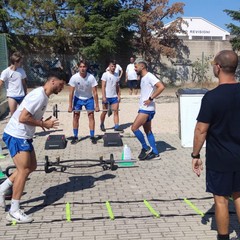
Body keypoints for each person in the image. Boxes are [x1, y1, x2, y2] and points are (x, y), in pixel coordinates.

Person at [0, 68, 66, 223]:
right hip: (16, 135)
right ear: (53, 81)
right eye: (61, 85)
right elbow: (23, 118)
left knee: (32, 166)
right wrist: (43, 123)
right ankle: (14, 211)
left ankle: (2, 189)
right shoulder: (38, 96)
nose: (62, 88)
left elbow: (29, 115)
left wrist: (42, 123)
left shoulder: (43, 96)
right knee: (23, 170)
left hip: (24, 136)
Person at [192, 50, 240, 240]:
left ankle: (223, 237)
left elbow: (201, 130)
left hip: (220, 158)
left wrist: (195, 156)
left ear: (218, 67)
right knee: (238, 195)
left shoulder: (212, 97)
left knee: (221, 200)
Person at [131, 59, 165, 160]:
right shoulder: (143, 77)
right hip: (145, 108)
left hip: (147, 109)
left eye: (136, 66)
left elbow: (161, 87)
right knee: (148, 131)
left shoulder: (149, 76)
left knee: (134, 128)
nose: (135, 68)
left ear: (142, 66)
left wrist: (151, 98)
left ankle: (145, 148)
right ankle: (155, 153)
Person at [68, 60, 100, 144]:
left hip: (89, 99)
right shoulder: (74, 77)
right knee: (76, 116)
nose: (82, 69)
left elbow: (95, 93)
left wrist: (97, 105)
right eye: (81, 67)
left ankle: (92, 136)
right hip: (78, 99)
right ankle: (75, 136)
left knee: (91, 116)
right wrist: (70, 106)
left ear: (86, 67)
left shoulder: (91, 77)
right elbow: (71, 92)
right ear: (78, 68)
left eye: (84, 67)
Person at [100, 60, 122, 132]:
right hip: (107, 96)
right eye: (112, 66)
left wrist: (119, 95)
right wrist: (104, 96)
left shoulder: (116, 75)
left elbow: (117, 86)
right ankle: (102, 123)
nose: (113, 68)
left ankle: (116, 126)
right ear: (109, 66)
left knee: (116, 111)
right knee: (105, 111)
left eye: (114, 66)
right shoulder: (105, 74)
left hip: (114, 96)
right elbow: (103, 86)